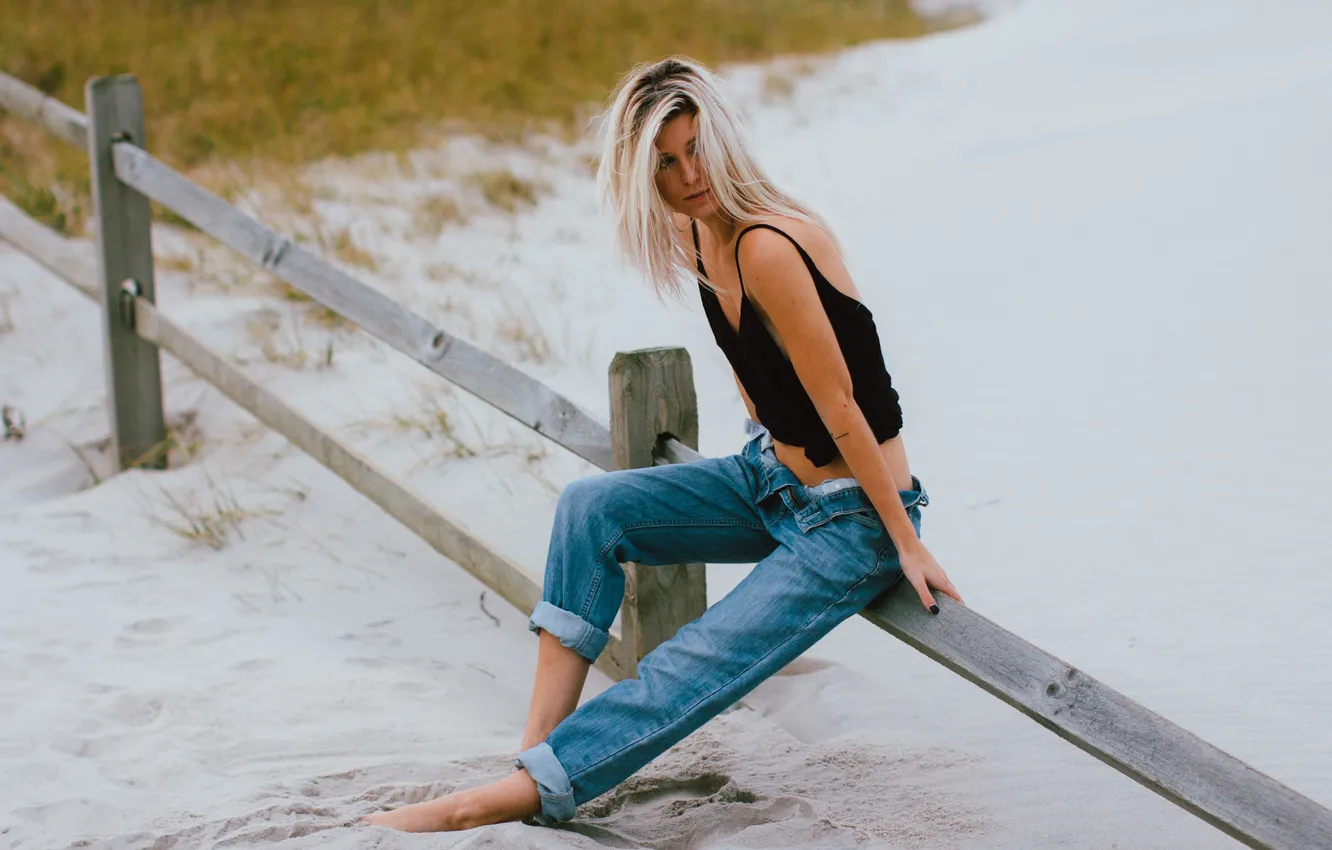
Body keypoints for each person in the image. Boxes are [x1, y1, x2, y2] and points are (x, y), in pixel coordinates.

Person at [362, 55, 963, 833]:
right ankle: (534, 755)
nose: (689, 176)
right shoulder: (695, 234)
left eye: (697, 149)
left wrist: (905, 540)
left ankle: (497, 801)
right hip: (773, 478)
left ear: (724, 139)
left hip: (854, 520)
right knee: (590, 510)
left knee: (692, 662)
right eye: (666, 163)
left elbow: (843, 405)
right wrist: (765, 451)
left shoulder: (767, 245)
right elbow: (755, 378)